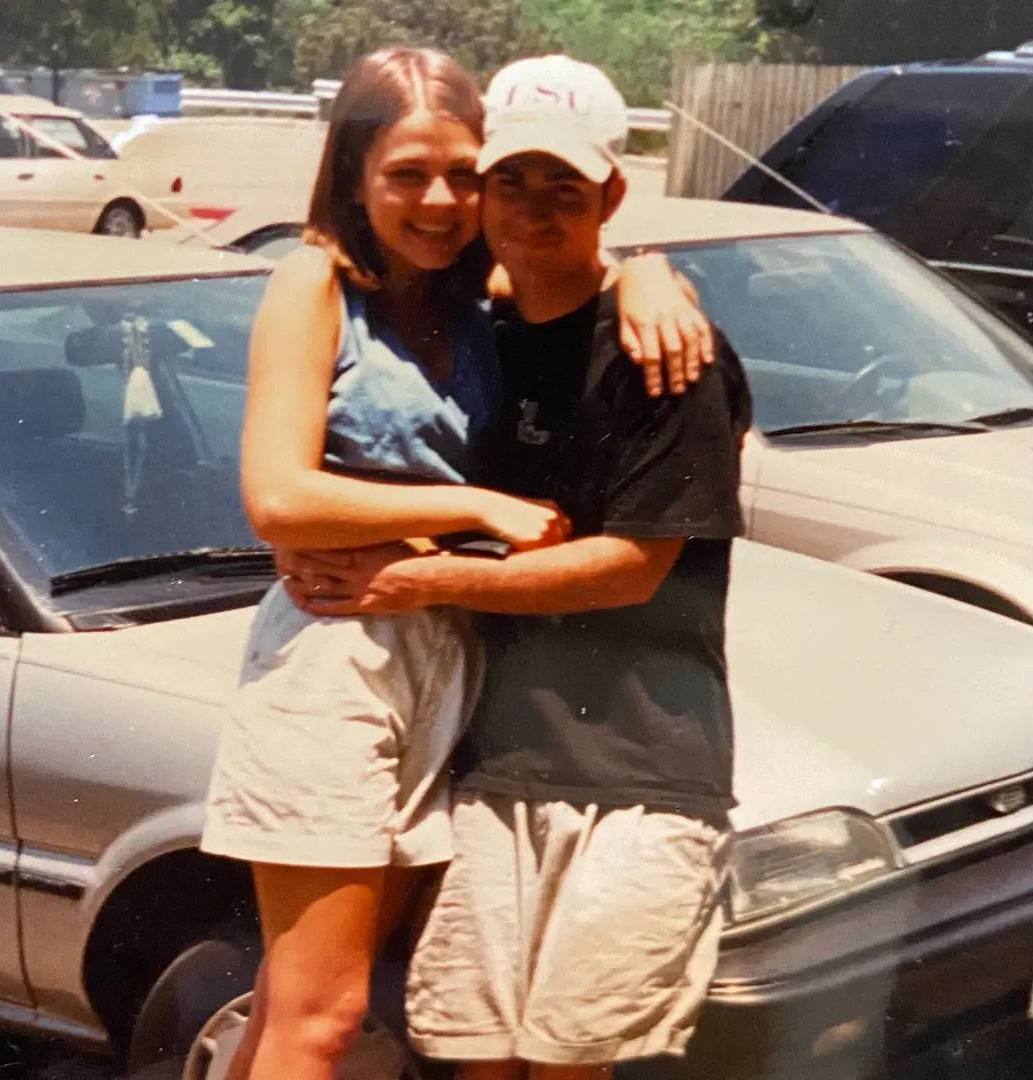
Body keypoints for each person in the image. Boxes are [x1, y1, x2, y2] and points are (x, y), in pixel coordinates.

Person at [201, 47, 710, 1080]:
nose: (439, 200)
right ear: (352, 176)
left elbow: (585, 267)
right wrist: (479, 504)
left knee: (305, 1007)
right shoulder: (316, 283)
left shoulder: (479, 289)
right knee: (325, 1014)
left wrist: (655, 269)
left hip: (451, 651)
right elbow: (277, 496)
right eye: (404, 174)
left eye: (461, 173)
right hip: (337, 654)